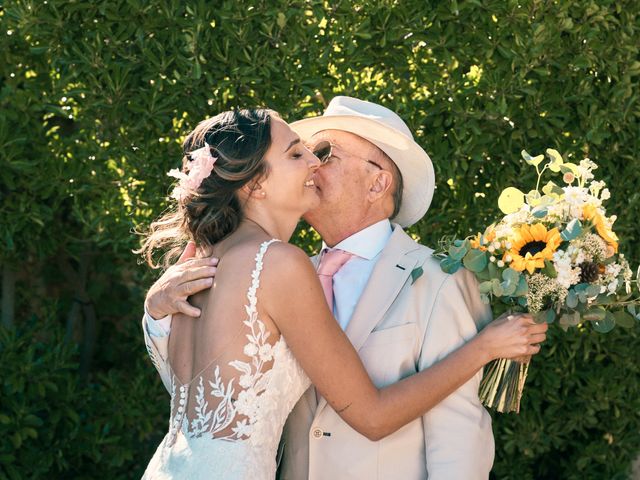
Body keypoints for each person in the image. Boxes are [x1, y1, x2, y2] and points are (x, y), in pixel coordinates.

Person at [141, 102, 547, 480]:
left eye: (325, 153)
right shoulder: (280, 266)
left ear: (378, 183)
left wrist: (157, 317)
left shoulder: (439, 280)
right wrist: (483, 349)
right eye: (300, 153)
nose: (313, 163)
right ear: (255, 185)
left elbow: (458, 438)